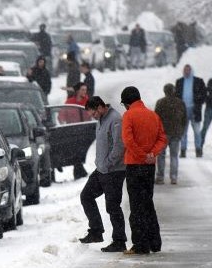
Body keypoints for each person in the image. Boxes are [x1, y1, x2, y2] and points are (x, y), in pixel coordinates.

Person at [120, 86, 167, 255]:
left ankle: (140, 244)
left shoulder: (128, 115)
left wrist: (141, 155)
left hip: (134, 165)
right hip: (149, 166)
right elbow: (163, 138)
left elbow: (128, 140)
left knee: (136, 206)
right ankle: (155, 242)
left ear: (127, 103)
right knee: (148, 203)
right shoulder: (153, 115)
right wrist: (151, 153)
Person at [78, 97, 127, 252]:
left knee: (113, 206)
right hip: (101, 170)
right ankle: (96, 231)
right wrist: (100, 164)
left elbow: (119, 146)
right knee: (86, 195)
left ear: (100, 107)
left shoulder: (115, 119)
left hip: (114, 171)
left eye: (93, 113)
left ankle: (119, 241)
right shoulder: (101, 119)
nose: (93, 117)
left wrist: (107, 163)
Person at [154, 83, 187, 185]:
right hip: (176, 132)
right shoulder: (180, 103)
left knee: (161, 155)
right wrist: (181, 131)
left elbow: (156, 118)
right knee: (174, 155)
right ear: (174, 91)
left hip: (163, 133)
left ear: (165, 91)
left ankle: (160, 177)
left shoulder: (160, 103)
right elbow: (184, 119)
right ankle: (173, 177)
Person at [175, 64, 207, 157]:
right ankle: (183, 150)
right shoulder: (179, 81)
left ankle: (198, 149)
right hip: (183, 110)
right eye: (185, 70)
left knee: (197, 131)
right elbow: (176, 95)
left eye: (188, 70)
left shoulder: (198, 81)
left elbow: (204, 94)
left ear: (191, 71)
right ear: (183, 71)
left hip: (195, 109)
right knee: (183, 131)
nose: (186, 71)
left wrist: (199, 103)